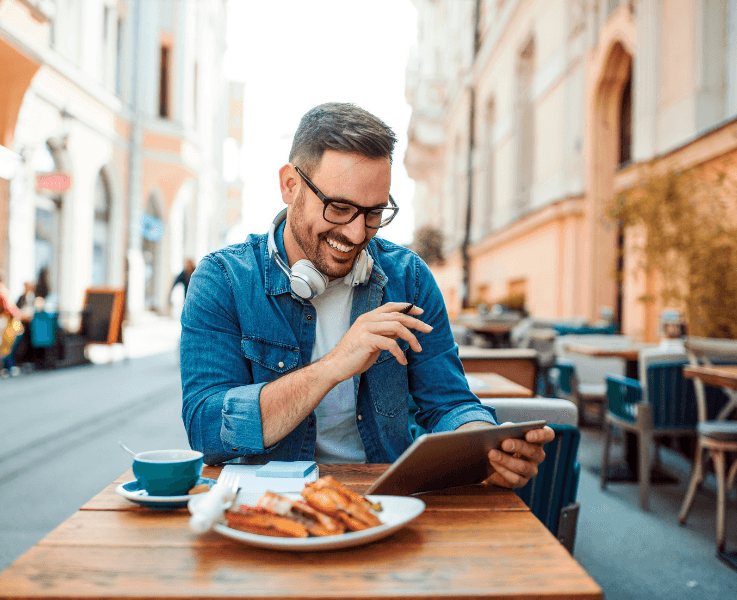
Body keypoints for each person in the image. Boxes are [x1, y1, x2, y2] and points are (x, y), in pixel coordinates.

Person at [180, 103, 553, 489]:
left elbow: (449, 403)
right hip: (267, 508)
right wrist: (334, 365)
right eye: (339, 208)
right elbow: (206, 430)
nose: (358, 234)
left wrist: (489, 447)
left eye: (374, 212)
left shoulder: (407, 277)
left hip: (387, 502)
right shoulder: (224, 279)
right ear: (290, 186)